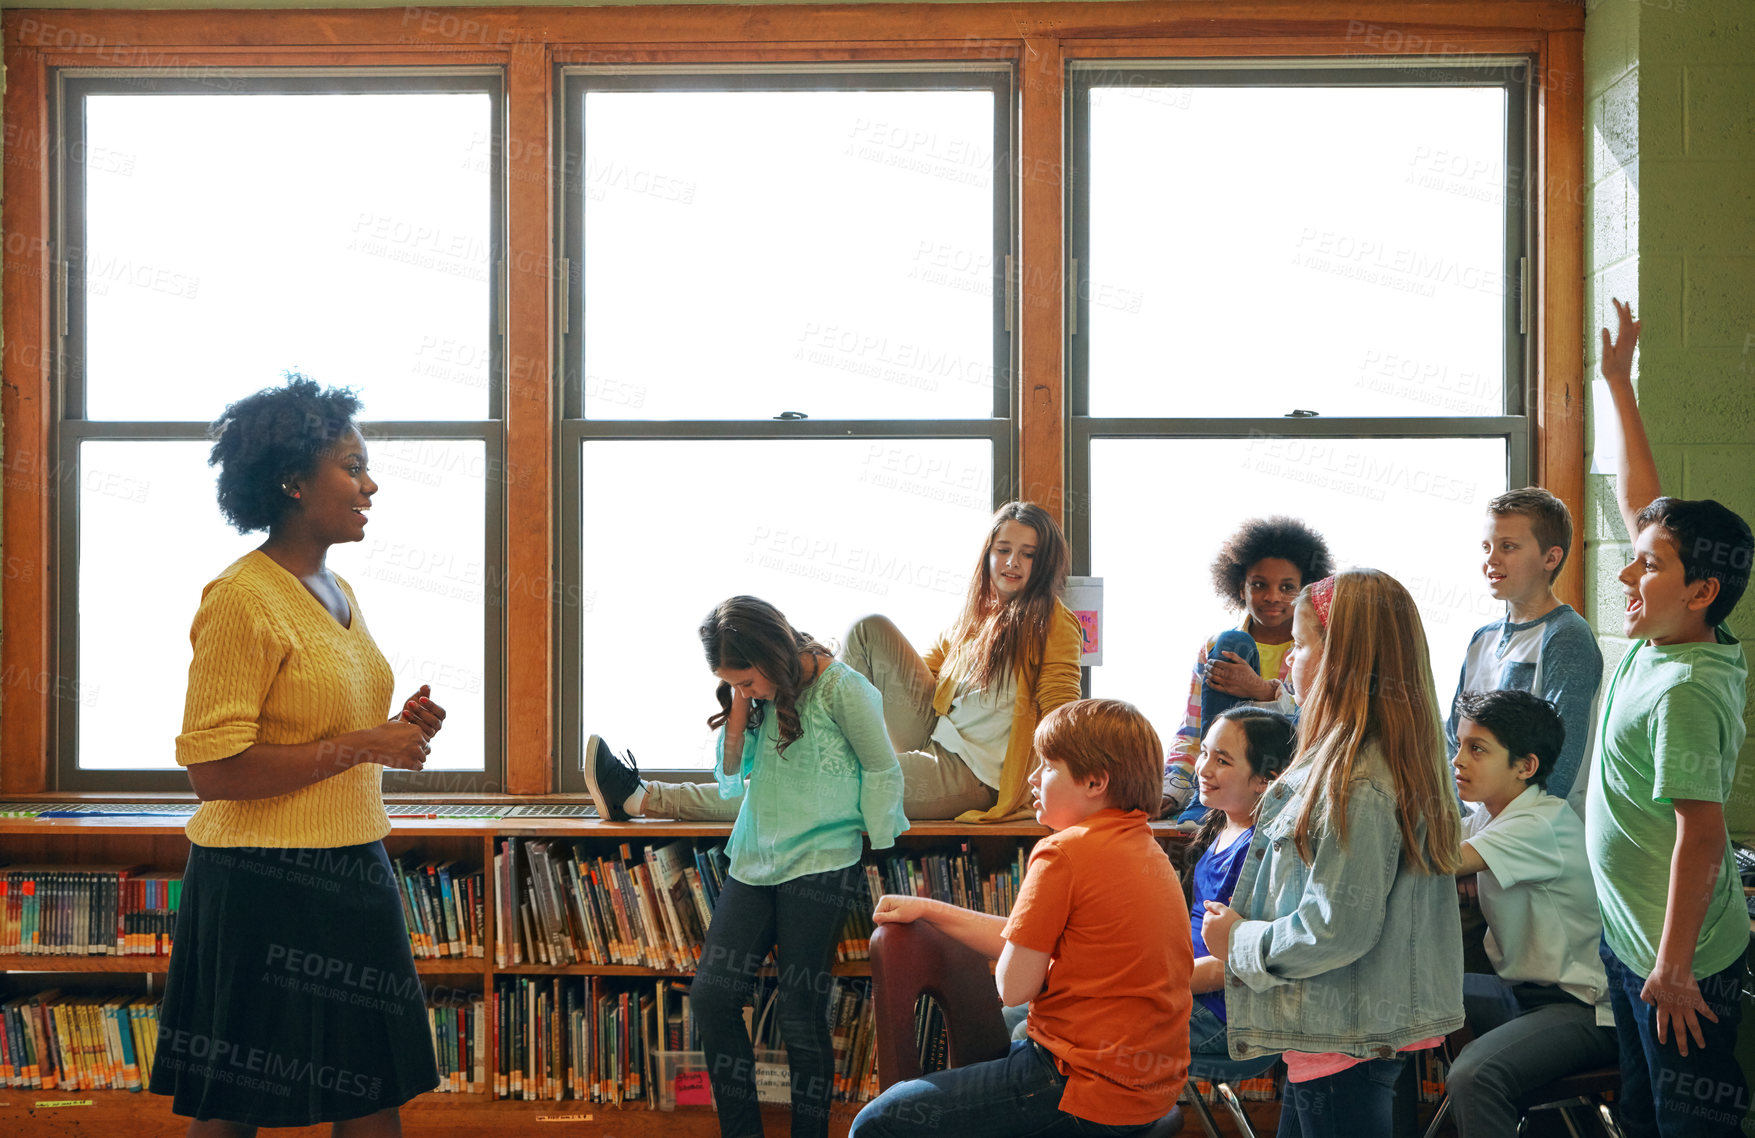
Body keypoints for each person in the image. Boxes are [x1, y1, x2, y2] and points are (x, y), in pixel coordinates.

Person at [149, 377, 445, 1136]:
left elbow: (321, 730)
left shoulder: (337, 585)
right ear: (290, 480)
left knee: (375, 1086)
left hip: (354, 865)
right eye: (352, 465)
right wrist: (362, 744)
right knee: (235, 1105)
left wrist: (392, 731)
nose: (370, 483)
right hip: (261, 881)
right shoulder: (241, 597)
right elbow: (214, 772)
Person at [587, 501, 1081, 823]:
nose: (1012, 563)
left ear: (1044, 563)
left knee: (799, 780)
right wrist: (819, 670)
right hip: (933, 733)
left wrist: (1064, 789)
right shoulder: (975, 617)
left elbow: (1063, 709)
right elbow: (919, 675)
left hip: (971, 775)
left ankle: (643, 798)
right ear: (988, 555)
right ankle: (811, 728)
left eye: (1028, 554)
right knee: (869, 627)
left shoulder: (1053, 623)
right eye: (1003, 550)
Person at [848, 699, 1190, 1138]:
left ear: (1094, 781)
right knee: (1011, 1035)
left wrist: (1038, 969)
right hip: (1150, 1090)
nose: (1031, 777)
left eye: (1047, 765)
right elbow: (1027, 940)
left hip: (1083, 1090)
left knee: (877, 1122)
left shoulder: (1063, 852)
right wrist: (930, 908)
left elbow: (1013, 988)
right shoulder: (1145, 849)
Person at [1201, 569, 1464, 1138]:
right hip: (1333, 1032)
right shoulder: (1362, 762)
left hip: (1343, 1032)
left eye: (1299, 645)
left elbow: (1336, 926)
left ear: (1341, 659)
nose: (1288, 662)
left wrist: (1239, 941)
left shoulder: (1358, 781)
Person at [1587, 298, 1752, 1138]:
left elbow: (1703, 832)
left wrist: (1675, 967)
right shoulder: (1667, 632)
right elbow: (1643, 505)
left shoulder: (1688, 685)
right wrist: (1619, 385)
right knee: (1644, 1118)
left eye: (1645, 566)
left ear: (1700, 591)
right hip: (1636, 945)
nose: (1626, 573)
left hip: (1680, 967)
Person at [685, 596, 907, 1138]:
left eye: (746, 681)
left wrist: (873, 841)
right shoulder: (755, 699)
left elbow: (882, 767)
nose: (746, 691)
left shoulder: (843, 688)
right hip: (755, 857)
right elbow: (731, 777)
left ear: (768, 653)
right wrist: (740, 707)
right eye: (733, 684)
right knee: (711, 997)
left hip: (823, 861)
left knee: (799, 1015)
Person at [1445, 689, 1617, 1137]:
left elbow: (1439, 859)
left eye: (1477, 749)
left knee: (1474, 1076)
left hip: (1580, 1007)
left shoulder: (1540, 822)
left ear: (1526, 766)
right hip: (1522, 997)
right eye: (1459, 745)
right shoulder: (1491, 816)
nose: (1458, 760)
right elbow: (1439, 841)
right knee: (1395, 1013)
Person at [1445, 486, 1603, 809]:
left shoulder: (1566, 636)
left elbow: (1558, 763)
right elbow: (1452, 742)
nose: (1491, 558)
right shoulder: (1481, 640)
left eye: (1508, 546)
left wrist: (1498, 836)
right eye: (1487, 546)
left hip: (1533, 840)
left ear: (1551, 557)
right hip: (1475, 833)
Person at [1166, 517, 1332, 820]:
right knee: (1231, 642)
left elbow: (1315, 729)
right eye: (1259, 585)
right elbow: (1191, 733)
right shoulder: (1216, 648)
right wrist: (1171, 790)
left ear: (1305, 590)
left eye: (1287, 587)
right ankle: (1208, 798)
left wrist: (1261, 691)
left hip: (1287, 779)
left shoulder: (1317, 650)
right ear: (1240, 588)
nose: (1272, 596)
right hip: (1222, 782)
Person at [1180, 707, 1295, 1058]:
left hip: (1225, 1015)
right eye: (1204, 754)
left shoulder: (1261, 851)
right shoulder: (1219, 825)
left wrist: (1153, 984)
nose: (1204, 769)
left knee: (1093, 1027)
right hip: (1186, 988)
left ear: (1265, 780)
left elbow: (1232, 964)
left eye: (1222, 761)